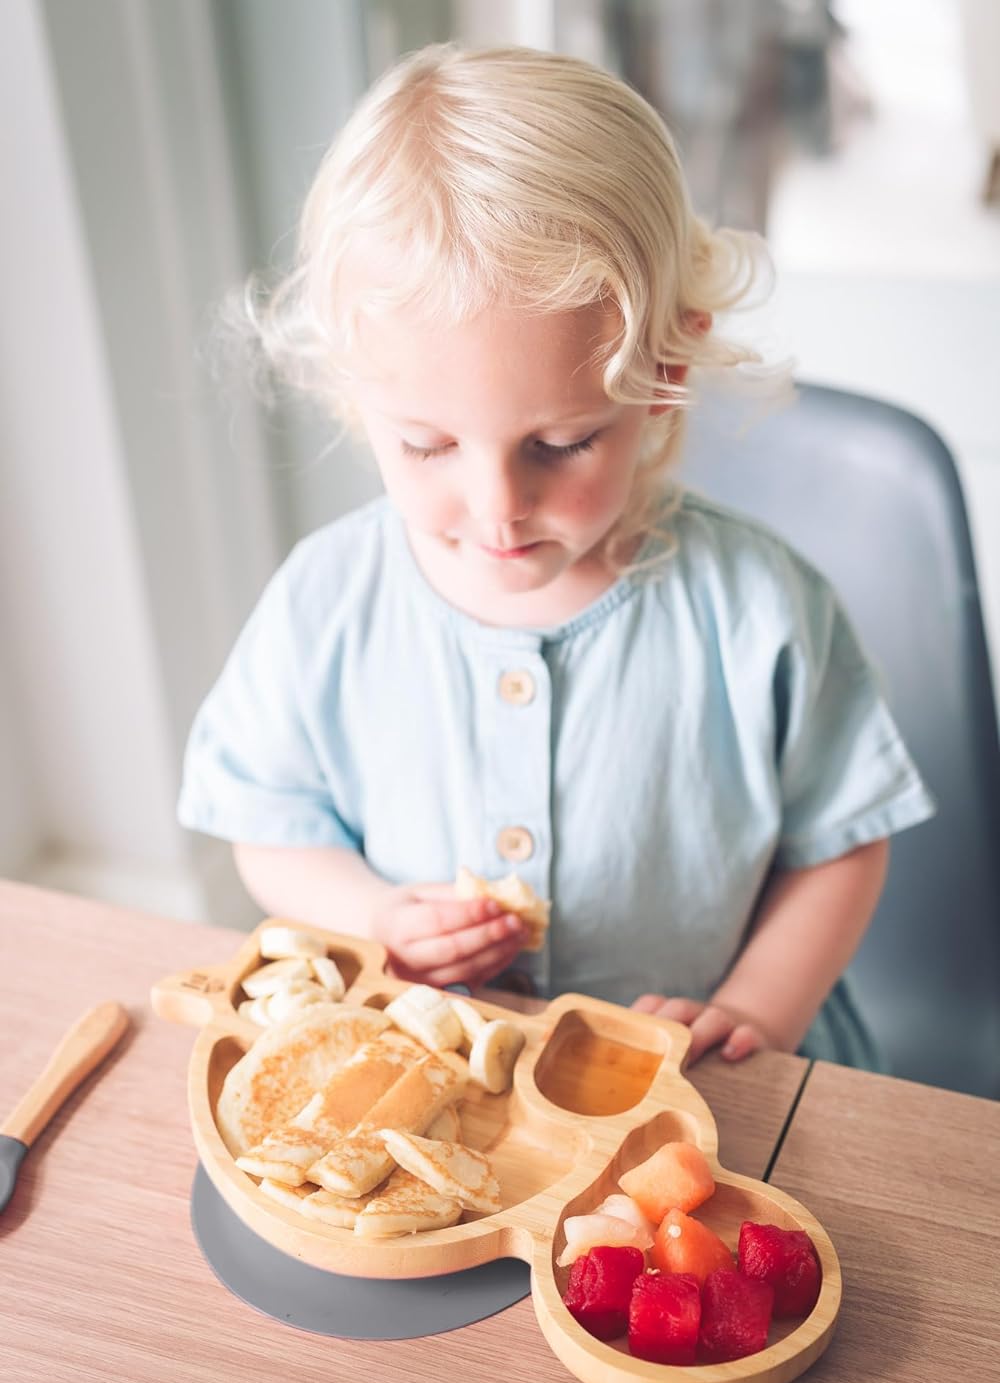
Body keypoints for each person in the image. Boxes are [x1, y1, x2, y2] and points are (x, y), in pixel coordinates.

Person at [179, 44, 934, 1069]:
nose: (499, 508)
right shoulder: (324, 601)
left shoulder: (757, 607)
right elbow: (267, 822)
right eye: (427, 444)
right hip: (437, 1081)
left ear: (664, 374)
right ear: (355, 393)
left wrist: (759, 1006)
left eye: (561, 443)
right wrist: (374, 912)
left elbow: (842, 842)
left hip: (712, 1091)